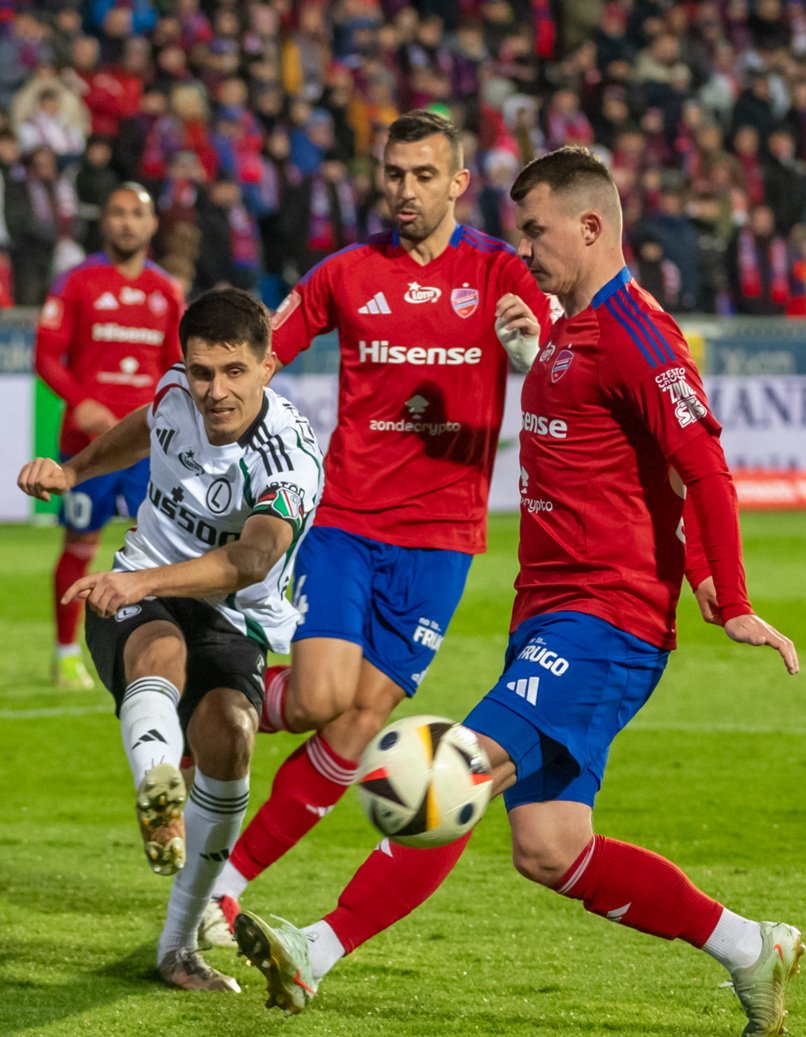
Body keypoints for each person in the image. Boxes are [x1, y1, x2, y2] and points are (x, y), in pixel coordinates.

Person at [231, 146, 806, 1037]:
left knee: (446, 770)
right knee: (550, 851)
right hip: (547, 615)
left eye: (537, 231)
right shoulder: (562, 330)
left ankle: (317, 948)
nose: (524, 249)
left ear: (591, 226)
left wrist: (723, 594)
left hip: (607, 621)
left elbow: (705, 469)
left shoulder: (638, 336)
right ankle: (751, 947)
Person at [196, 109, 553, 946]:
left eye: (424, 175)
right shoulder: (347, 273)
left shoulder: (503, 272)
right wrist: (219, 417)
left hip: (445, 542)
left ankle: (225, 886)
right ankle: (203, 712)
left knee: (358, 726)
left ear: (459, 183)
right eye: (394, 174)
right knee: (320, 697)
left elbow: (564, 356)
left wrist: (533, 347)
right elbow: (261, 355)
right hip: (351, 521)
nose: (405, 190)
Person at [16, 289, 324, 993]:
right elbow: (146, 425)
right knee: (160, 655)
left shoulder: (290, 455)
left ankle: (178, 947)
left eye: (234, 373)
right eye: (201, 372)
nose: (215, 391)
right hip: (139, 593)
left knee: (231, 737)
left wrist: (147, 579)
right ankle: (159, 791)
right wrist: (74, 470)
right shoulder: (175, 394)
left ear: (268, 367)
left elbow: (250, 561)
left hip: (234, 616)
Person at [34, 183, 183, 689]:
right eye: (117, 213)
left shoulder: (165, 292)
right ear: (106, 222)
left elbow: (174, 369)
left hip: (150, 448)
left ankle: (161, 649)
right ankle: (65, 652)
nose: (126, 223)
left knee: (165, 549)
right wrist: (82, 403)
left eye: (136, 214)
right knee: (81, 544)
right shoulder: (77, 282)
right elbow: (46, 356)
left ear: (151, 224)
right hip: (88, 446)